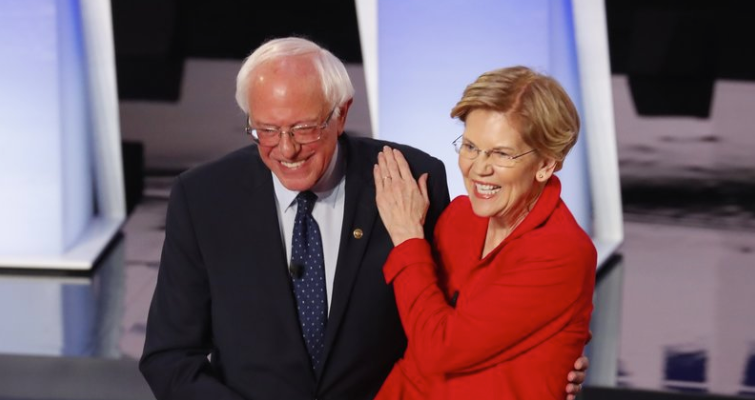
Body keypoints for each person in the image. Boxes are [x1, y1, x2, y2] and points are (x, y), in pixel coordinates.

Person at [139, 37, 588, 400]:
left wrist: (544, 357)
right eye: (267, 130)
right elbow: (169, 358)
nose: (287, 148)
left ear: (341, 114)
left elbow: (439, 331)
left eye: (304, 128)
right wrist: (543, 355)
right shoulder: (203, 197)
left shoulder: (413, 182)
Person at [373, 66, 597, 399]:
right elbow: (420, 340)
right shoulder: (459, 218)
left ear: (546, 165)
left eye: (502, 153)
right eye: (471, 147)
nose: (479, 168)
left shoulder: (561, 251)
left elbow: (439, 348)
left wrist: (408, 240)